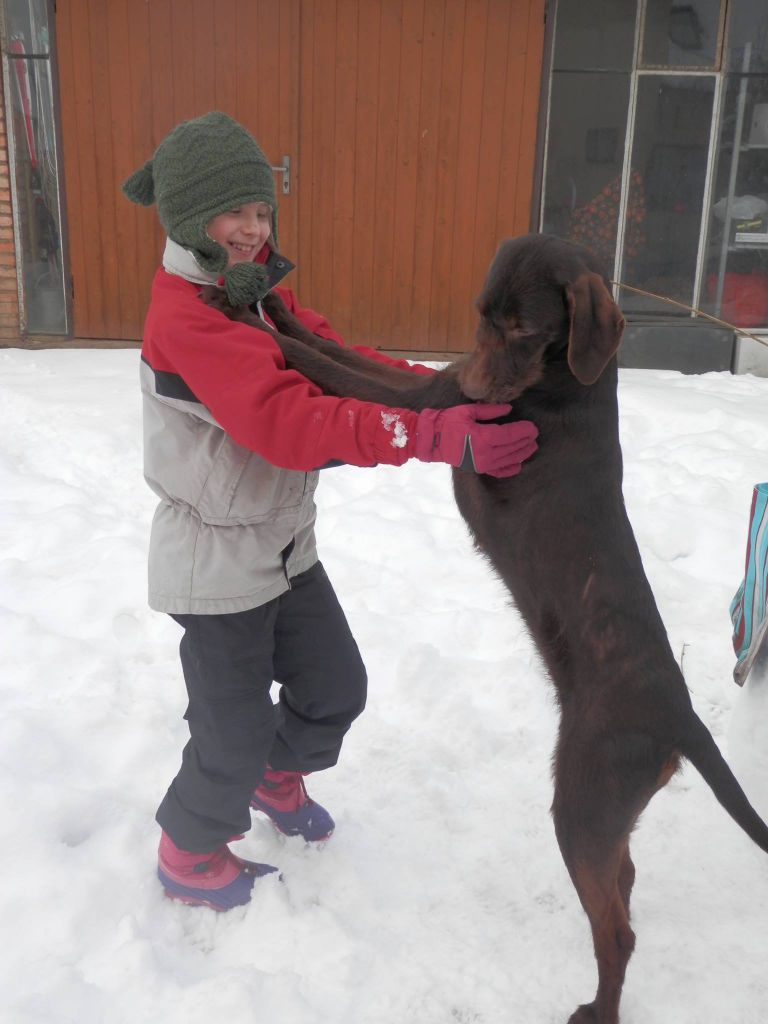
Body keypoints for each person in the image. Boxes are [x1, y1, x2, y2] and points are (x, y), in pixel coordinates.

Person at [122, 111, 538, 912]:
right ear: (191, 217)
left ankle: (276, 778)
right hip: (216, 568)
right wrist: (427, 437)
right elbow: (287, 423)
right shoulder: (188, 318)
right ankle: (189, 851)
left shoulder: (255, 298)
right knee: (231, 734)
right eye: (234, 212)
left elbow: (343, 363)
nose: (253, 228)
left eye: (262, 209)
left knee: (336, 688)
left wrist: (450, 392)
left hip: (283, 547)